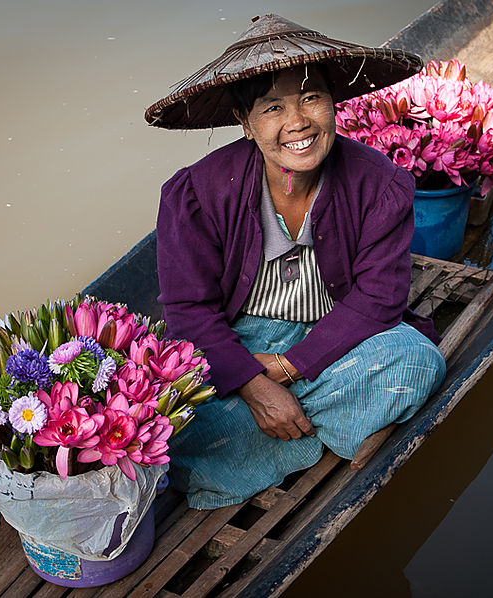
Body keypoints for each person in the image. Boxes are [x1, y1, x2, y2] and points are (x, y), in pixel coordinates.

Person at [145, 14, 447, 509]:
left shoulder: (378, 184)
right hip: (239, 339)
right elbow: (189, 312)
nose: (298, 122)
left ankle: (266, 440)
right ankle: (324, 426)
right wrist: (249, 382)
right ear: (245, 122)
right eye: (273, 107)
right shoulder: (196, 192)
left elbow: (378, 301)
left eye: (311, 98)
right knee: (172, 415)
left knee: (415, 362)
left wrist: (285, 370)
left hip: (338, 337)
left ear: (333, 104)